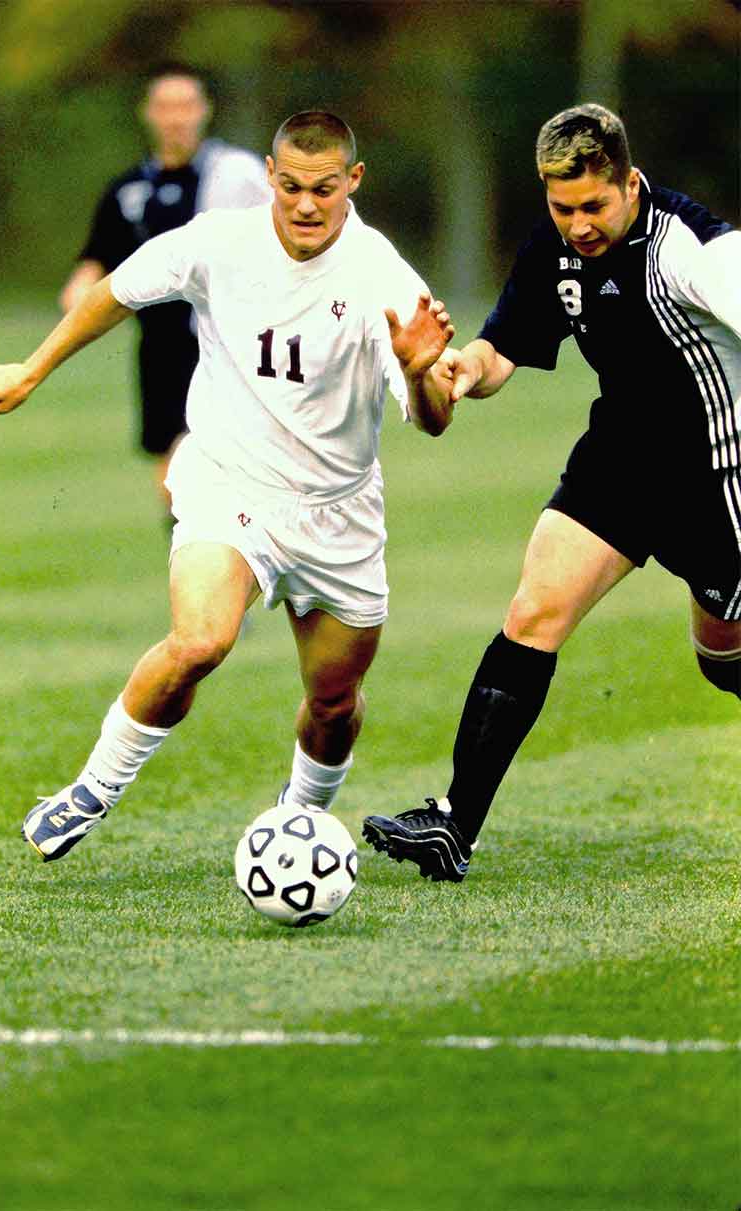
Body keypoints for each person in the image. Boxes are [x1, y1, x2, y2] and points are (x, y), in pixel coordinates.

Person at [0, 111, 455, 863]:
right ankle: (91, 788)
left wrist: (422, 373)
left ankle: (298, 825)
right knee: (200, 641)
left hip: (338, 512)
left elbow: (433, 420)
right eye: (290, 186)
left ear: (352, 182)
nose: (305, 205)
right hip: (230, 480)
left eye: (324, 189)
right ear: (269, 175)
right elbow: (116, 292)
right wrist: (30, 370)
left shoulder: (382, 278)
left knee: (332, 704)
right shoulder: (221, 241)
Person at [363, 102, 741, 883]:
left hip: (718, 472)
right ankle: (454, 825)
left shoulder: (692, 250)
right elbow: (502, 348)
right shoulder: (557, 251)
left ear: (630, 183)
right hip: (623, 460)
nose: (579, 224)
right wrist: (459, 367)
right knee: (534, 610)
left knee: (724, 660)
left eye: (593, 205)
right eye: (562, 207)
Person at [59, 63, 270, 508]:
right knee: (172, 477)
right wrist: (80, 295)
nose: (177, 117)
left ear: (204, 111)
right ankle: (192, 561)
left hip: (227, 345)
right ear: (148, 113)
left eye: (186, 106)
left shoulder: (235, 179)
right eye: (166, 107)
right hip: (160, 349)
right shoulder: (128, 191)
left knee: (218, 463)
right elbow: (96, 259)